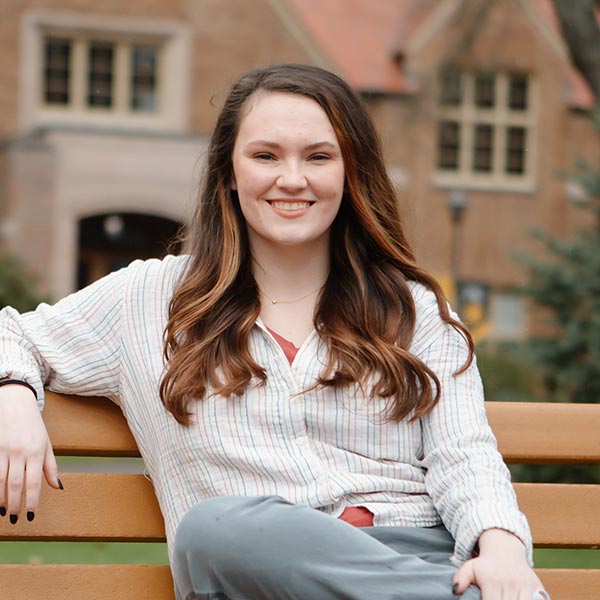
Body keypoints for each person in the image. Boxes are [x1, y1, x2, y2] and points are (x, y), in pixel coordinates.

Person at [0, 64, 549, 600]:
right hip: (251, 569)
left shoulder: (413, 309)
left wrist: (499, 548)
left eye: (318, 157)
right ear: (229, 172)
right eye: (265, 156)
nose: (292, 179)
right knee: (213, 527)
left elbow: (465, 454)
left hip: (410, 559)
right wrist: (13, 394)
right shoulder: (148, 299)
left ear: (351, 172)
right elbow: (13, 335)